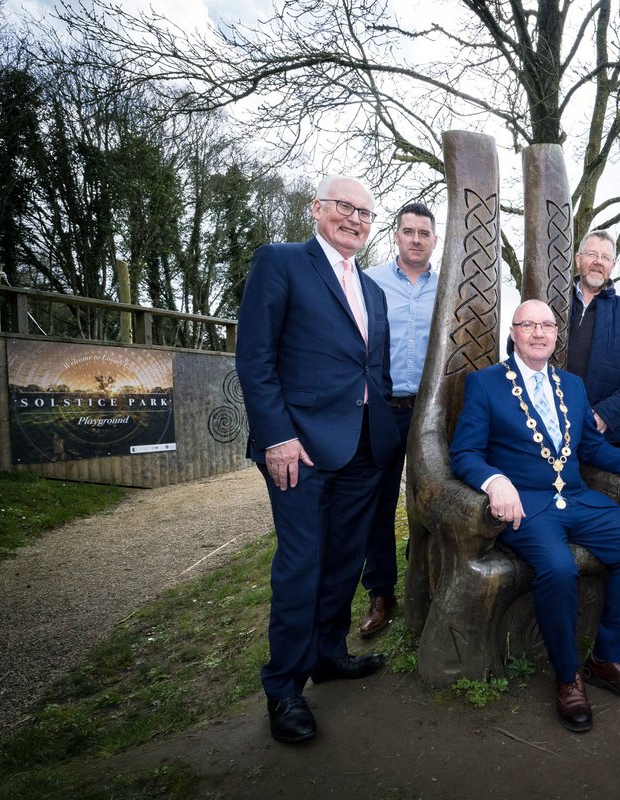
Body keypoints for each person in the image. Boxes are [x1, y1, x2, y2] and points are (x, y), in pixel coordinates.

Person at [236, 175, 401, 743]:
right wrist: (277, 435)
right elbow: (255, 359)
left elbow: (369, 369)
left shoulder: (374, 291)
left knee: (342, 563)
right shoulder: (280, 263)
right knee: (302, 565)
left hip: (361, 449)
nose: (356, 219)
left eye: (365, 213)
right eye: (345, 207)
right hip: (298, 450)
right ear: (318, 210)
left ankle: (329, 655)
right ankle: (283, 688)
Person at [451, 300, 620, 733]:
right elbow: (464, 454)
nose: (540, 332)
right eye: (529, 325)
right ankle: (568, 676)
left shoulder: (572, 385)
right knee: (559, 567)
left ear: (556, 334)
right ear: (514, 332)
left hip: (577, 500)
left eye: (547, 325)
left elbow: (592, 448)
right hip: (526, 506)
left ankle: (608, 660)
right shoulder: (486, 384)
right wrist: (494, 481)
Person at [358, 201, 439, 637]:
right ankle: (382, 592)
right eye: (408, 231)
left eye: (423, 233)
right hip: (383, 408)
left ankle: (429, 577)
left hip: (432, 411)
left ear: (434, 240)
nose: (415, 239)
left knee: (435, 499)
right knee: (379, 502)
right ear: (395, 235)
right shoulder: (369, 282)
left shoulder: (448, 288)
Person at [566, 230, 620, 444]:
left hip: (600, 433)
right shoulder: (554, 302)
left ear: (613, 265)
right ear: (578, 259)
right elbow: (519, 347)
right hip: (544, 423)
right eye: (592, 254)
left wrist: (606, 413)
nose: (598, 262)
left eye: (605, 258)